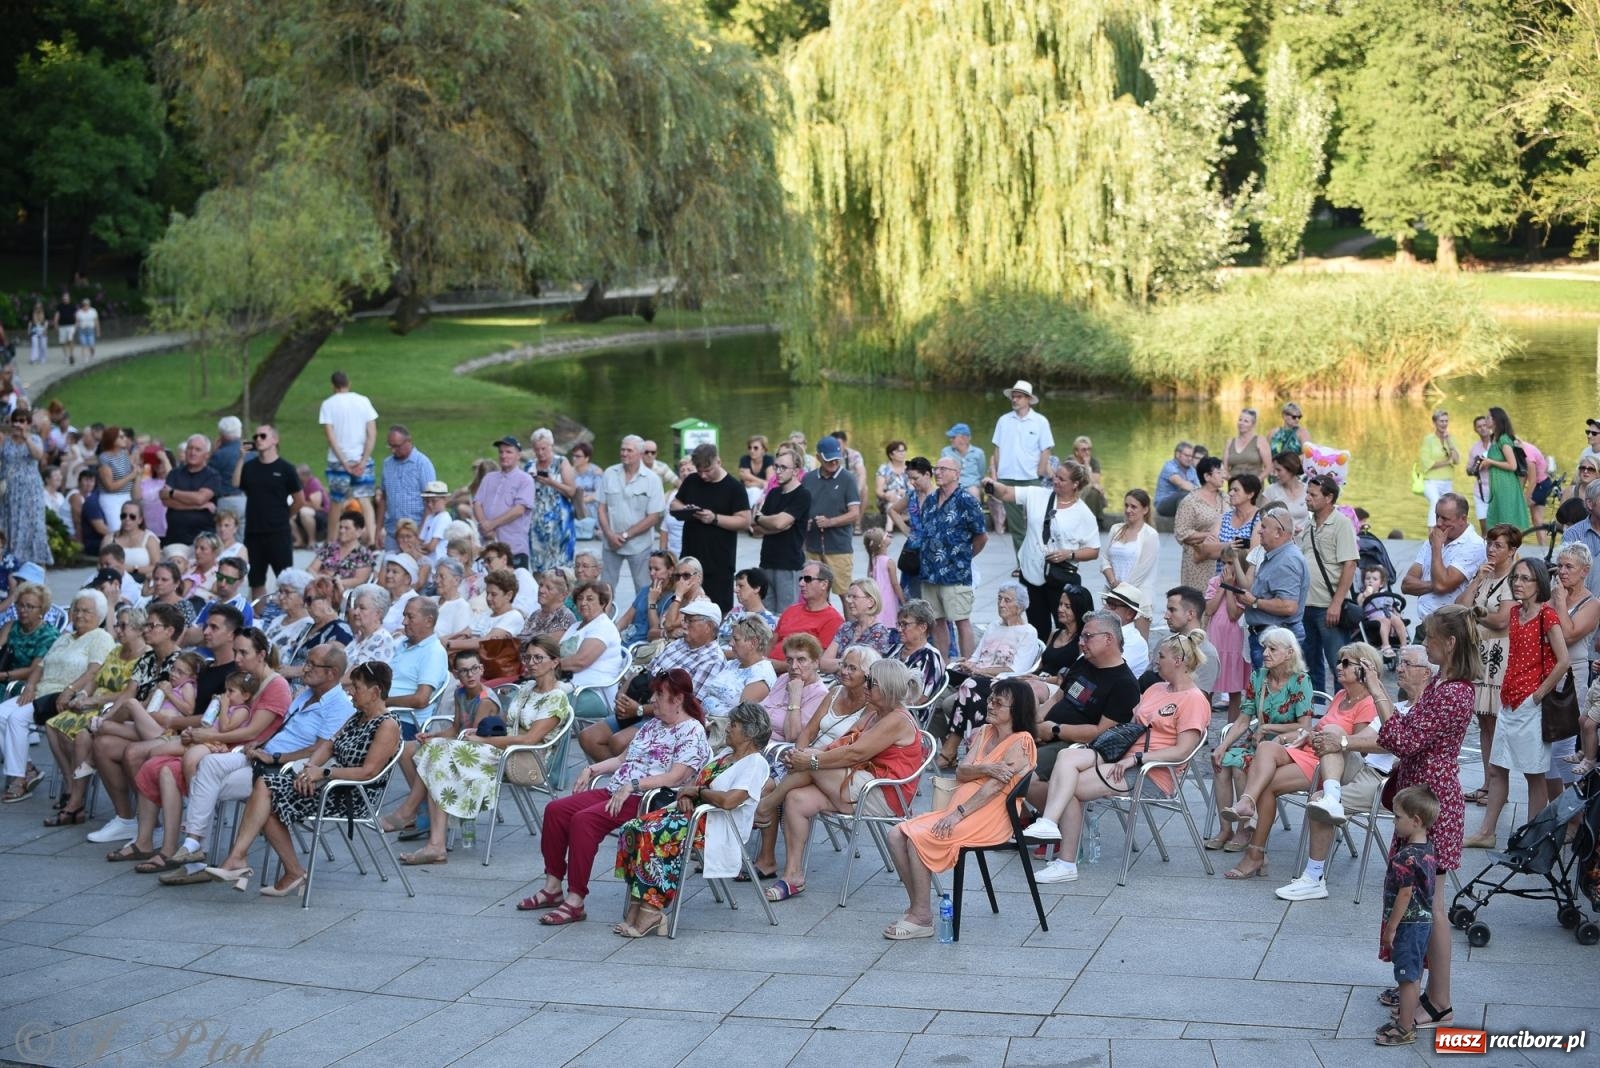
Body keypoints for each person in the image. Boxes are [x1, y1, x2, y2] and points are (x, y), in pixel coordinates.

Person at [522, 668, 710, 925]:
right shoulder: (654, 725)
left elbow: (675, 777)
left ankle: (576, 900)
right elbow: (623, 759)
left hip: (650, 800)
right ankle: (553, 887)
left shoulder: (692, 731)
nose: (652, 699)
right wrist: (591, 769)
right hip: (619, 790)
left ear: (677, 699)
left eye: (659, 694)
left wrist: (632, 785)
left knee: (584, 821)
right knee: (556, 810)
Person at [202, 660, 401, 896]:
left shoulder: (387, 725)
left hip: (352, 793)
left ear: (376, 691)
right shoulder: (357, 717)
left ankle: (277, 868)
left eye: (356, 687)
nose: (350, 691)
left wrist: (324, 773)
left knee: (267, 797)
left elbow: (368, 772)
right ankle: (242, 859)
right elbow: (328, 745)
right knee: (265, 788)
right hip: (330, 782)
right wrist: (310, 769)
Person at [1025, 631, 1211, 882]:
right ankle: (1048, 824)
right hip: (1123, 756)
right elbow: (1134, 725)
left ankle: (1066, 862)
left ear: (1178, 661)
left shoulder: (1194, 700)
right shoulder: (1156, 688)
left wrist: (1136, 760)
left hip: (1153, 773)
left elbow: (1182, 751)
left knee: (1070, 787)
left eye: (1161, 656)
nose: (1156, 661)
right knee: (1067, 759)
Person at [1372, 605, 1477, 1031]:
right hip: (1422, 802)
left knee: (1431, 907)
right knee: (1422, 903)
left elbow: (1401, 738)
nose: (1425, 643)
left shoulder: (1454, 692)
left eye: (1430, 638)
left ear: (1449, 643)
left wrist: (1377, 690)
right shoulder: (1442, 681)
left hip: (1433, 809)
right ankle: (1419, 986)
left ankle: (1440, 1003)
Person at [756, 658, 925, 902]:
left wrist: (811, 761)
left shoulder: (897, 719)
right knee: (796, 798)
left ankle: (766, 806)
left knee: (813, 765)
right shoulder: (875, 714)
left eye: (870, 682)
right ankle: (793, 875)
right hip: (859, 781)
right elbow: (843, 743)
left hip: (884, 794)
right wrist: (808, 756)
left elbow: (855, 753)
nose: (865, 685)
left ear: (886, 688)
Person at [882, 677, 1037, 939]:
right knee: (896, 833)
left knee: (917, 838)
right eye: (991, 699)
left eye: (998, 702)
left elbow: (993, 789)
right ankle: (918, 908)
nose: (990, 705)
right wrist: (986, 768)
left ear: (1016, 710)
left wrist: (958, 814)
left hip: (988, 817)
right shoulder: (986, 731)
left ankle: (921, 916)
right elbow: (962, 770)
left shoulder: (1021, 742)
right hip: (959, 810)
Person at [399, 637, 571, 865]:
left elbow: (530, 739)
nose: (531, 662)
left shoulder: (557, 697)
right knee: (434, 749)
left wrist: (482, 740)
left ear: (554, 662)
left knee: (440, 754)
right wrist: (480, 733)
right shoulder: (527, 688)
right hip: (504, 750)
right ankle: (434, 842)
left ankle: (416, 820)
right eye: (527, 657)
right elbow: (506, 723)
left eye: (538, 657)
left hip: (525, 760)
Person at [1221, 641, 1384, 880]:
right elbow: (1319, 728)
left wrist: (1317, 737)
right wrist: (1303, 735)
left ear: (1365, 669)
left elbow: (1357, 748)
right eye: (1339, 661)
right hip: (1311, 750)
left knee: (1267, 785)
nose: (1338, 666)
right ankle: (1247, 804)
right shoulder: (1341, 695)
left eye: (1346, 663)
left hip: (1331, 764)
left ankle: (1255, 853)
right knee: (1267, 745)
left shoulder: (1368, 703)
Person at [610, 700, 770, 936]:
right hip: (692, 813)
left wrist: (698, 793)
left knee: (656, 835)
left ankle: (651, 909)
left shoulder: (755, 763)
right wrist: (688, 794)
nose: (727, 728)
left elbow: (729, 801)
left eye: (733, 725)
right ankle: (638, 904)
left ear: (749, 733)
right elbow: (695, 784)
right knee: (634, 828)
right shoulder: (726, 755)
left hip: (716, 824)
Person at [1275, 644, 1415, 902]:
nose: (1400, 668)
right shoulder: (1399, 705)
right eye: (1402, 663)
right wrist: (1332, 739)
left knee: (1318, 800)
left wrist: (1342, 743)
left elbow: (1393, 742)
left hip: (1386, 780)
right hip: (1361, 766)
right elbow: (1364, 738)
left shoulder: (1422, 709)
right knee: (1334, 734)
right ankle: (1332, 796)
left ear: (1426, 673)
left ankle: (1314, 877)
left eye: (1407, 664)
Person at [1466, 558, 1566, 847]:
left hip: (1530, 704)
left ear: (1539, 584)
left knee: (1535, 775)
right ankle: (1487, 832)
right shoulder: (1515, 615)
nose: (1518, 583)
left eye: (1525, 579)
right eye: (1516, 578)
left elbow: (1563, 661)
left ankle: (1533, 839)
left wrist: (1538, 694)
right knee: (1497, 768)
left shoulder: (1547, 616)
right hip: (1509, 700)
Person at [1208, 627, 1313, 852]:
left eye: (1272, 649)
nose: (1265, 653)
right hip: (1257, 742)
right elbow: (1243, 718)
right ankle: (1225, 827)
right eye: (1265, 647)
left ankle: (1244, 829)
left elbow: (1304, 728)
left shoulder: (1300, 681)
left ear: (1289, 653)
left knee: (1239, 767)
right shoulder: (1258, 677)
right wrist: (1223, 745)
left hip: (1286, 748)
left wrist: (1268, 727)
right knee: (1221, 761)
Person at [0, 591, 112, 803]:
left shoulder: (101, 637)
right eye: (76, 609)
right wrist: (30, 686)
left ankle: (19, 779)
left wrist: (69, 689)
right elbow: (40, 666)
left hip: (64, 697)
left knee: (16, 719)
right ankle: (27, 767)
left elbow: (93, 672)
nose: (79, 615)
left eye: (86, 611)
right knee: (0, 713)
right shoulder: (64, 638)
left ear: (99, 615)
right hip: (40, 693)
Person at [579, 600, 725, 762]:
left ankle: (631, 780)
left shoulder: (712, 660)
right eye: (685, 620)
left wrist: (640, 710)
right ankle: (626, 778)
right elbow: (645, 671)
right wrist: (622, 695)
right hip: (644, 704)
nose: (684, 625)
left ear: (709, 627)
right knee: (588, 737)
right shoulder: (678, 645)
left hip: (670, 719)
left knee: (618, 743)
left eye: (691, 621)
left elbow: (687, 705)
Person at [1030, 610, 1140, 800]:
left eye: (1087, 637)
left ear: (1108, 639)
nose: (1081, 642)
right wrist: (1034, 722)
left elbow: (1101, 732)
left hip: (1074, 746)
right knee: (997, 753)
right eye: (1082, 636)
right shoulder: (1084, 662)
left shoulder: (1124, 684)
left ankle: (1048, 822)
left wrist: (1055, 730)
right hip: (1047, 731)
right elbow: (1058, 698)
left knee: (1024, 776)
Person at [985, 461, 1097, 642]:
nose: (1056, 480)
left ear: (1075, 484)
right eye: (1055, 476)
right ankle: (1038, 662)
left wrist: (1069, 554)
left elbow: (1094, 551)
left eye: (1062, 479)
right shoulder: (1037, 494)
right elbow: (1006, 492)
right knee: (1037, 627)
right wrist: (990, 484)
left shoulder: (1083, 513)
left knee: (1066, 626)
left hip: (1060, 576)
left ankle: (1064, 663)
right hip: (1031, 574)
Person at [938, 584, 1043, 766]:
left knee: (970, 687)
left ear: (1020, 606)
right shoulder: (994, 626)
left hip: (1002, 684)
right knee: (940, 691)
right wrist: (968, 664)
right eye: (999, 599)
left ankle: (953, 749)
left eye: (1007, 600)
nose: (1001, 604)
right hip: (974, 680)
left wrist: (981, 671)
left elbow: (1016, 669)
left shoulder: (1028, 632)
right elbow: (977, 656)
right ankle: (960, 751)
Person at [1454, 523, 1518, 807]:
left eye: (1498, 545)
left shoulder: (1514, 580)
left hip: (1499, 655)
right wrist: (1476, 582)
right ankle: (1486, 782)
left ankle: (1497, 786)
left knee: (1496, 722)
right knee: (1483, 722)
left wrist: (1474, 613)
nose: (1491, 550)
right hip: (1480, 652)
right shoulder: (1487, 575)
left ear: (1512, 550)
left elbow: (1502, 620)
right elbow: (1459, 607)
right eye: (1490, 544)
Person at [1374, 785, 1440, 1047]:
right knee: (1414, 972)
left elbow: (1404, 895)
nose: (1395, 822)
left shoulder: (1406, 857)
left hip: (1409, 924)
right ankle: (1407, 1015)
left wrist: (1390, 929)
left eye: (1398, 817)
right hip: (1423, 922)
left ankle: (1405, 1028)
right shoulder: (1428, 849)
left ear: (1415, 821)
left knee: (1406, 976)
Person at [1298, 474, 1360, 693]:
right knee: (1309, 663)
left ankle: (1345, 711)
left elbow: (1350, 565)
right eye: (1307, 493)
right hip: (1306, 605)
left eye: (1313, 495)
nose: (1307, 498)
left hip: (1328, 606)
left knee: (1339, 664)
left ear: (1329, 497)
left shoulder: (1341, 524)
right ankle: (1315, 710)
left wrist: (1336, 602)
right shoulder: (1309, 524)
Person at [672, 443, 750, 613]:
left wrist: (714, 518)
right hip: (690, 558)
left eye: (708, 470)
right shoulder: (692, 480)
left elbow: (745, 521)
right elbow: (675, 503)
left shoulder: (734, 487)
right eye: (699, 471)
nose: (704, 475)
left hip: (719, 562)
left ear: (718, 462)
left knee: (717, 610)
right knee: (687, 609)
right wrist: (686, 510)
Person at [232, 424, 304, 598]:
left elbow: (299, 499)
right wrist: (241, 457)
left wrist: (285, 516)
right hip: (254, 532)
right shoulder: (249, 466)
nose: (258, 439)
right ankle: (258, 618)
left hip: (278, 532)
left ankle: (286, 617)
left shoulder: (286, 468)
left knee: (285, 579)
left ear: (275, 440)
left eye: (263, 436)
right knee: (256, 580)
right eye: (256, 436)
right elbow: (235, 483)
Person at [1401, 493, 1485, 629]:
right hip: (1425, 623)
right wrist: (1437, 585)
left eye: (1445, 519)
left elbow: (1441, 586)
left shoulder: (1474, 545)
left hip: (1451, 627)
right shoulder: (1436, 538)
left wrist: (1436, 548)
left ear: (1462, 519)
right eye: (1436, 516)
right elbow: (1406, 585)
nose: (1438, 523)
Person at [1239, 507, 1309, 668]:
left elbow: (1289, 606)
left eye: (1263, 527)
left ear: (1278, 532)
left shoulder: (1287, 560)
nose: (1259, 532)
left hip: (1277, 640)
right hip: (1271, 637)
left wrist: (1254, 601)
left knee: (1273, 691)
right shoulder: (1277, 556)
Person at [596, 435, 664, 598]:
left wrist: (626, 535)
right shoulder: (609, 473)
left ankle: (643, 623)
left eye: (629, 450)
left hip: (639, 545)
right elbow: (601, 508)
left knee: (643, 590)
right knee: (606, 589)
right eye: (622, 449)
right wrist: (610, 534)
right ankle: (605, 622)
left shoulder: (652, 479)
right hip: (610, 543)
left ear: (640, 453)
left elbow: (654, 517)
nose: (624, 453)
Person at [990, 380, 1054, 549]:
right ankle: (1022, 565)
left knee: (1037, 522)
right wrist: (998, 473)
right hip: (1007, 479)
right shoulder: (1003, 421)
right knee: (1016, 526)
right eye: (1013, 396)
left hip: (1031, 478)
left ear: (1028, 399)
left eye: (1018, 397)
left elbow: (1046, 449)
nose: (1015, 400)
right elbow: (997, 448)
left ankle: (1039, 559)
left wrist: (1040, 471)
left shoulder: (1040, 421)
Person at [798, 436, 860, 604]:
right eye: (829, 459)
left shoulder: (848, 479)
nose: (833, 462)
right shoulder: (808, 479)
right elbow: (800, 509)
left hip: (839, 547)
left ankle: (851, 629)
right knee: (812, 593)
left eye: (836, 459)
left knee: (845, 595)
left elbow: (854, 513)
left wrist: (830, 522)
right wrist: (805, 522)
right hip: (812, 546)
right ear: (818, 457)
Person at [319, 370, 380, 540]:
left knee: (337, 502)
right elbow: (372, 433)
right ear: (349, 383)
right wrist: (364, 460)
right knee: (365, 500)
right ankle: (372, 539)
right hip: (361, 458)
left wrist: (344, 462)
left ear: (333, 386)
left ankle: (331, 541)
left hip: (338, 461)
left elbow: (331, 437)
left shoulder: (328, 404)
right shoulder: (363, 401)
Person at [750, 446, 809, 612]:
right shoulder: (773, 493)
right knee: (766, 616)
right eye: (776, 467)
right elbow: (754, 529)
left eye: (783, 467)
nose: (778, 471)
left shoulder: (802, 495)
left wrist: (761, 518)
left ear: (796, 470)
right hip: (767, 562)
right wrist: (767, 523)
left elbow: (779, 523)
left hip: (788, 565)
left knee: (786, 616)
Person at [558, 581, 626, 720]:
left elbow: (580, 661)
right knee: (521, 698)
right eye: (580, 598)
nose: (583, 603)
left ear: (602, 603)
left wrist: (547, 667)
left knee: (543, 705)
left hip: (594, 693)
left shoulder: (603, 626)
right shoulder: (575, 626)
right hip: (567, 685)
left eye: (590, 599)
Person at [1100, 490, 1159, 637]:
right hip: (1113, 593)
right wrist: (1113, 582)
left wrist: (1121, 590)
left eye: (1133, 507)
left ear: (1145, 509)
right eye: (1126, 505)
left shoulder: (1150, 535)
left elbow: (1142, 570)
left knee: (1138, 644)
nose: (1128, 510)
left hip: (1138, 597)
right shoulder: (1116, 529)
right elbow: (1104, 559)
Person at [474, 436, 538, 569]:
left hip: (513, 548)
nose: (504, 455)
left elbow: (519, 509)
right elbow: (477, 502)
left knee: (515, 586)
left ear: (518, 455)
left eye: (508, 452)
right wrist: (484, 525)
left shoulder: (525, 480)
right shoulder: (489, 478)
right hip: (488, 546)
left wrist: (491, 524)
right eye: (501, 452)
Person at [768, 562, 844, 669]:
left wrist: (769, 665)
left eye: (807, 579)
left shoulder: (833, 620)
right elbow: (771, 644)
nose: (801, 583)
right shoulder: (791, 610)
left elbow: (816, 663)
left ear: (824, 584)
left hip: (794, 675)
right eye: (801, 579)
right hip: (768, 670)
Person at [2, 409, 51, 566]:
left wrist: (26, 438)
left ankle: (36, 563)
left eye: (22, 421)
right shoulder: (6, 441)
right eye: (16, 420)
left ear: (29, 424)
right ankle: (11, 562)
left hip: (30, 490)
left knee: (32, 524)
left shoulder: (35, 439)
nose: (18, 424)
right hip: (10, 490)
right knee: (12, 523)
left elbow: (38, 455)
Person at [375, 424, 435, 552]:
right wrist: (378, 529)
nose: (393, 450)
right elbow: (384, 498)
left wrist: (420, 533)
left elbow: (430, 502)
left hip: (415, 532)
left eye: (397, 446)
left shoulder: (422, 464)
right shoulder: (387, 464)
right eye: (390, 446)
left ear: (409, 442)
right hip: (392, 532)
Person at [524, 427, 578, 570]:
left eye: (544, 448)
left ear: (551, 446)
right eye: (537, 449)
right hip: (537, 523)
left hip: (560, 522)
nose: (540, 453)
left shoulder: (561, 462)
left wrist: (551, 482)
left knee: (561, 568)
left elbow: (571, 491)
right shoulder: (530, 465)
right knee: (538, 565)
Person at [819, 579, 898, 673]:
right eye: (849, 596)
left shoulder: (879, 633)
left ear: (870, 602)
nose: (849, 601)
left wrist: (837, 664)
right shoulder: (846, 628)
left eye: (854, 597)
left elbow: (864, 669)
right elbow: (823, 663)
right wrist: (847, 664)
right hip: (834, 683)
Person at [1174, 455, 1226, 591]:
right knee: (1197, 602)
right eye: (1219, 473)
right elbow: (1181, 533)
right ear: (1207, 477)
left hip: (1222, 560)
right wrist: (1209, 535)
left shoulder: (1226, 498)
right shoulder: (1190, 501)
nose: (1223, 476)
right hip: (1198, 562)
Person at [1481, 406, 1530, 531]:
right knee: (1495, 522)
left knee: (1506, 523)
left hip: (1506, 486)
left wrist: (1490, 461)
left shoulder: (1503, 439)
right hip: (1498, 486)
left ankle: (1510, 549)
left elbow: (1512, 465)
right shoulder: (1495, 439)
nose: (1485, 419)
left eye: (1488, 417)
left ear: (1496, 420)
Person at [616, 549, 676, 645]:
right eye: (650, 569)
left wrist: (652, 602)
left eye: (657, 569)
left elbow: (655, 631)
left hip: (644, 647)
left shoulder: (672, 598)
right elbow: (626, 619)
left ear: (670, 570)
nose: (652, 573)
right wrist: (612, 632)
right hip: (629, 638)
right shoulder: (645, 590)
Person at [308, 512, 377, 592]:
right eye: (340, 527)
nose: (341, 531)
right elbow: (311, 569)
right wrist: (320, 579)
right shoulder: (330, 547)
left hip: (345, 592)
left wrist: (332, 581)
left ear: (358, 532)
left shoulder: (364, 555)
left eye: (346, 528)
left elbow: (359, 580)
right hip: (320, 587)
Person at [894, 599, 945, 704]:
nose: (899, 629)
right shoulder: (895, 649)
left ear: (922, 627)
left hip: (906, 714)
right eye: (899, 624)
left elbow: (918, 699)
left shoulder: (930, 657)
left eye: (905, 624)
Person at [1360, 565, 1409, 664]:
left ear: (1381, 583)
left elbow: (1393, 606)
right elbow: (1360, 604)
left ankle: (1404, 646)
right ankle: (1385, 646)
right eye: (1367, 578)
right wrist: (1365, 595)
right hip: (1374, 617)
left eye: (1374, 579)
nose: (1370, 581)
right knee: (1385, 620)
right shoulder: (1363, 594)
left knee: (1398, 620)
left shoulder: (1386, 594)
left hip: (1388, 613)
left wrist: (1397, 613)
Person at [1419, 409, 1459, 527]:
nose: (1444, 424)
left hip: (1447, 481)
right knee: (1435, 501)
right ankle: (1432, 532)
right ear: (1435, 422)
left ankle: (1447, 533)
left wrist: (1449, 442)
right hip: (1431, 481)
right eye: (1441, 421)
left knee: (1449, 507)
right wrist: (1447, 462)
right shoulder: (1428, 440)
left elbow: (1456, 460)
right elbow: (1427, 463)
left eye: (1446, 421)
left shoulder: (1451, 438)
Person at [344, 583, 397, 671]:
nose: (355, 612)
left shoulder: (382, 640)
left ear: (377, 614)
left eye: (362, 608)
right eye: (356, 607)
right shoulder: (359, 638)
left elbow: (357, 676)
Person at [1101, 583, 1150, 676]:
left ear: (1130, 614)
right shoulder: (1103, 631)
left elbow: (1110, 670)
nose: (1106, 609)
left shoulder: (1135, 642)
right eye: (1107, 602)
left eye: (1113, 606)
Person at [95, 426, 138, 531]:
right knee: (116, 528)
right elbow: (110, 486)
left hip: (126, 496)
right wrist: (130, 476)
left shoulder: (124, 454)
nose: (125, 439)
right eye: (121, 437)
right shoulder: (104, 458)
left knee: (129, 528)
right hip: (111, 498)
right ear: (112, 439)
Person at [1261, 451, 1309, 535]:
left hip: (1305, 541)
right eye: (1274, 470)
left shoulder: (1308, 490)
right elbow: (1262, 519)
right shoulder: (1270, 491)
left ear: (1291, 469)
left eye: (1279, 470)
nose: (1275, 474)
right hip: (1279, 541)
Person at [1222, 408, 1271, 483]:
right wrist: (1233, 481)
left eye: (1246, 421)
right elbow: (1224, 469)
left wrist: (1256, 482)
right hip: (1234, 488)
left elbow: (1268, 468)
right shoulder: (1230, 442)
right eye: (1240, 420)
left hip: (1254, 486)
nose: (1241, 423)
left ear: (1253, 424)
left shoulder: (1260, 441)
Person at [1154, 441, 1199, 519]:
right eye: (1187, 455)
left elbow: (1199, 486)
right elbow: (1181, 483)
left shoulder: (1192, 470)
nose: (1190, 458)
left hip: (1181, 503)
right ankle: (1183, 527)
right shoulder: (1169, 466)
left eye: (1191, 456)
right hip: (1163, 504)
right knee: (1184, 494)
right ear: (1178, 454)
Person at [940, 423, 986, 499]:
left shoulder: (978, 453)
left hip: (972, 486)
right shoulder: (946, 452)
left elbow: (981, 474)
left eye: (953, 437)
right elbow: (943, 473)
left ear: (964, 438)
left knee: (973, 492)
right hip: (952, 486)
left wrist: (979, 489)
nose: (950, 439)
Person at [52, 291, 76, 365]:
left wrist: (76, 324)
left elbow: (75, 315)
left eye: (67, 298)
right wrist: (55, 324)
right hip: (62, 326)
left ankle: (71, 355)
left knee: (70, 339)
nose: (65, 299)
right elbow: (57, 315)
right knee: (63, 341)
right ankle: (66, 355)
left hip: (71, 325)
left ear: (69, 299)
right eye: (64, 298)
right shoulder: (60, 306)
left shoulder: (72, 306)